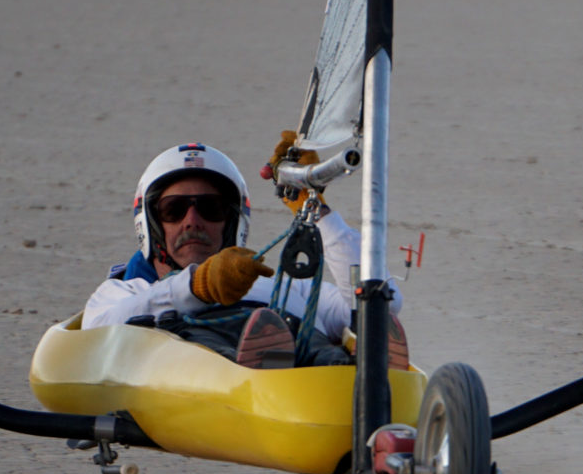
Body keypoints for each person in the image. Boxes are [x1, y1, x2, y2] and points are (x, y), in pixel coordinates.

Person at [81, 138, 405, 369]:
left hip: (303, 366)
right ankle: (262, 366)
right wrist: (197, 286)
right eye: (174, 209)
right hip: (209, 369)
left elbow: (383, 301)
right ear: (151, 223)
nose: (192, 222)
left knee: (324, 352)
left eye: (211, 209)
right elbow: (94, 335)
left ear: (232, 221)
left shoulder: (285, 286)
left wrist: (318, 212)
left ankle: (369, 370)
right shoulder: (126, 291)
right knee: (198, 346)